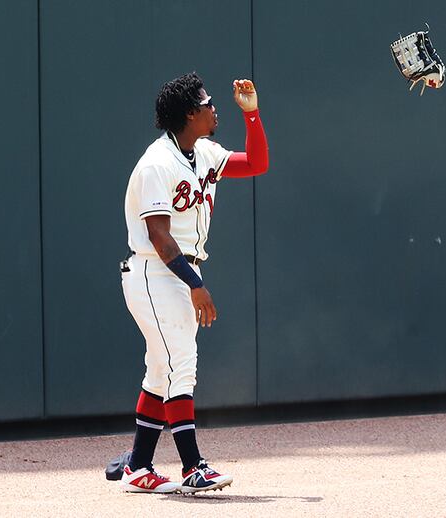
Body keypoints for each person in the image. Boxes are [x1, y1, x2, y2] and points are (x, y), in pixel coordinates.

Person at [118, 72, 269, 494]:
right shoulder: (156, 163)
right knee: (181, 362)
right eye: (207, 103)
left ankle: (138, 465)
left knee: (162, 370)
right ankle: (192, 466)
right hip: (155, 271)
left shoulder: (201, 151)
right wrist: (195, 284)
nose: (214, 107)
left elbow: (256, 163)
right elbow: (160, 237)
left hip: (177, 272)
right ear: (189, 113)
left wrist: (252, 115)